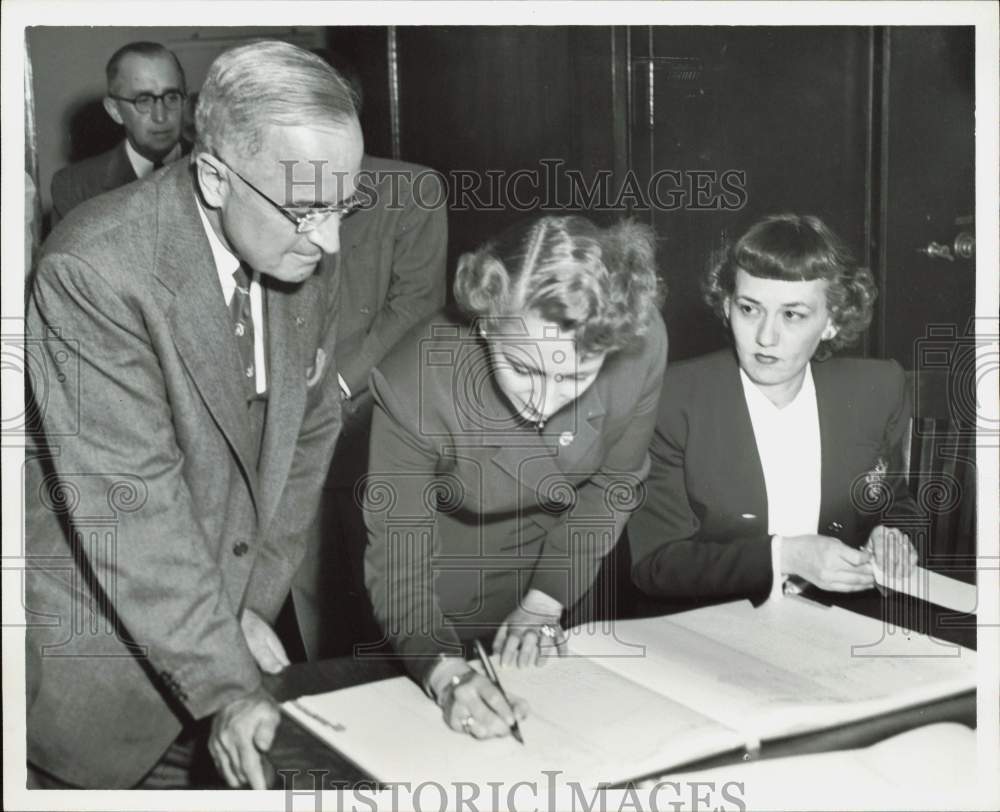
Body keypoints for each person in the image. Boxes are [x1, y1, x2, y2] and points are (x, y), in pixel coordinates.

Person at [25, 40, 363, 789]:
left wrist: (252, 606)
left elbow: (308, 434)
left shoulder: (299, 245)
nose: (332, 238)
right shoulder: (94, 270)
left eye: (344, 204)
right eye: (308, 211)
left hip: (224, 642)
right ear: (214, 177)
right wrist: (227, 678)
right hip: (103, 675)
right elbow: (132, 506)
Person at [364, 215, 668, 739]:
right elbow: (399, 559)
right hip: (449, 569)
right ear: (485, 323)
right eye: (522, 368)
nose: (544, 402)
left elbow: (613, 485)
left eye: (574, 375)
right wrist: (444, 671)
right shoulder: (414, 383)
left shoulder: (639, 342)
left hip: (564, 554)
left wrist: (546, 600)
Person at [628, 214, 919, 606]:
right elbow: (657, 564)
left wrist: (892, 536)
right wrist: (784, 556)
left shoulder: (876, 389)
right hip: (717, 624)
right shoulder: (673, 401)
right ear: (727, 305)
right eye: (749, 309)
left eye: (792, 315)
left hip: (844, 620)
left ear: (832, 321)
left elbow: (894, 502)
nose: (766, 337)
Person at [290, 63, 448, 661]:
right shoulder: (263, 194)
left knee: (390, 586)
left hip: (375, 416)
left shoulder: (413, 192)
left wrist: (333, 382)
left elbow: (414, 308)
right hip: (289, 423)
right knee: (304, 583)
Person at [50, 41, 189, 224]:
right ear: (115, 110)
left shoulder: (218, 167)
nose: (161, 117)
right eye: (144, 100)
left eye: (171, 97)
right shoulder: (76, 187)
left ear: (184, 101)